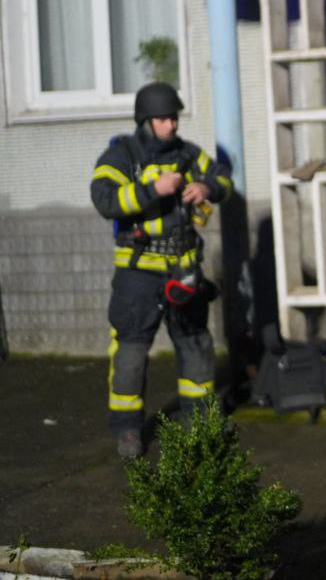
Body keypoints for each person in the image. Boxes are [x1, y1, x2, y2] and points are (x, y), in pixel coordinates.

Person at [90, 82, 232, 458]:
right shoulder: (122, 154)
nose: (172, 124)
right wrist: (152, 188)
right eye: (164, 119)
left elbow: (223, 177)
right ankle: (128, 430)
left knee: (196, 344)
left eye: (174, 118)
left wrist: (206, 188)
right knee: (131, 350)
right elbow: (104, 199)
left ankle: (200, 422)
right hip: (138, 273)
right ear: (146, 120)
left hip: (184, 269)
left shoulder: (188, 154)